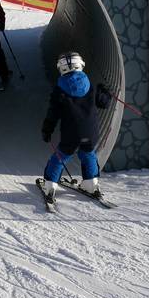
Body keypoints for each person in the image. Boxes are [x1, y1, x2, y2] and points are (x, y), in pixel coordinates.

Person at [40, 52, 112, 201]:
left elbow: (53, 113)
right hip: (91, 132)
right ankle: (91, 183)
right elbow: (104, 103)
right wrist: (105, 91)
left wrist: (47, 130)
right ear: (81, 65)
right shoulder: (91, 86)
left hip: (70, 134)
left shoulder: (59, 90)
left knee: (60, 156)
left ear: (61, 68)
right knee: (88, 154)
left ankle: (50, 184)